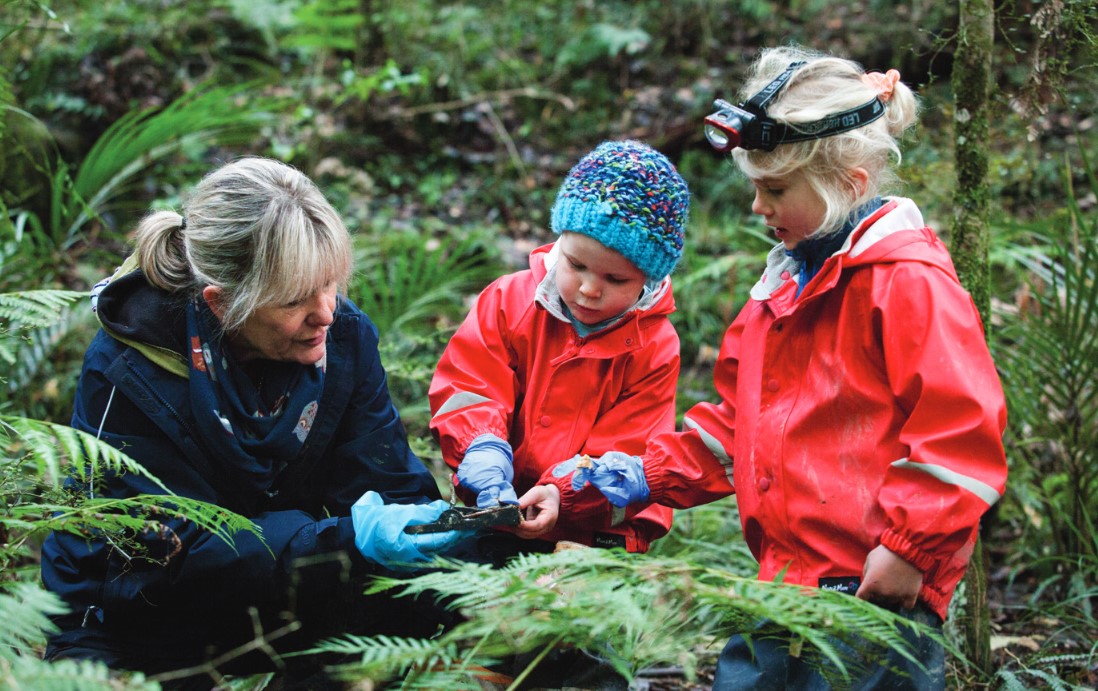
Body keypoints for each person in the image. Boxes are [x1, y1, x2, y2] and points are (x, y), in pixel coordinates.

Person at [544, 47, 1009, 690]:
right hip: (781, 584)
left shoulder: (907, 283)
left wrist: (910, 551)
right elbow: (736, 432)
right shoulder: (778, 295)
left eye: (775, 190)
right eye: (756, 187)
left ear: (848, 182)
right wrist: (617, 481)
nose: (759, 209)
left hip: (870, 594)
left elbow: (960, 433)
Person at [39, 157, 484, 685]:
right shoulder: (130, 372)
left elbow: (384, 481)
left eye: (330, 283)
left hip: (280, 583)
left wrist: (468, 541)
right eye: (296, 299)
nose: (326, 312)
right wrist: (340, 542)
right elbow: (163, 559)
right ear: (223, 305)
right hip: (140, 617)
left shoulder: (340, 339)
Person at [428, 139, 690, 561]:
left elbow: (633, 447)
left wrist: (563, 493)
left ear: (649, 278)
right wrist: (482, 449)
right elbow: (469, 385)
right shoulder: (509, 302)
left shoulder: (654, 348)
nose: (588, 288)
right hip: (499, 511)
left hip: (592, 538)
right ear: (559, 242)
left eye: (615, 279)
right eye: (576, 265)